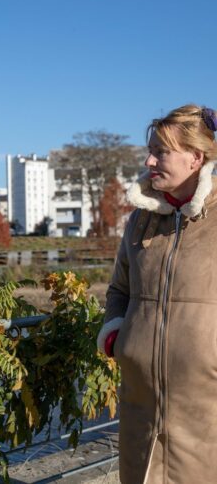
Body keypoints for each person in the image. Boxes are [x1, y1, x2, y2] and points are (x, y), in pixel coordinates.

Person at [97, 104, 217, 484]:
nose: (149, 160)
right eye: (150, 150)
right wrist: (118, 334)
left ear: (196, 158)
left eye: (161, 152)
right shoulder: (140, 218)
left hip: (206, 408)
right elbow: (119, 288)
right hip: (140, 405)